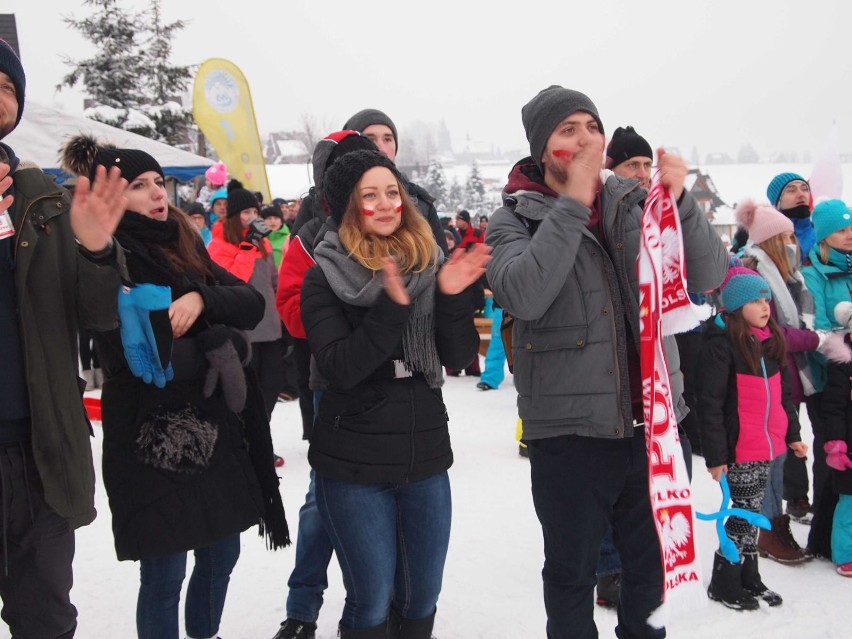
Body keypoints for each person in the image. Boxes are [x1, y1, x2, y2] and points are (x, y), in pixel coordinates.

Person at [485, 85, 728, 639]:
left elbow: (710, 276)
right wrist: (571, 204)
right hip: (569, 436)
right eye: (567, 129)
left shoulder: (633, 204)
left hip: (653, 428)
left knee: (650, 577)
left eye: (592, 126)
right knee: (572, 577)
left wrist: (679, 199)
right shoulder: (513, 220)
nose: (586, 139)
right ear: (543, 149)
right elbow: (525, 294)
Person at [60, 135, 289, 639]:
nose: (157, 194)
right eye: (138, 186)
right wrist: (219, 341)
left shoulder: (182, 241)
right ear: (112, 196)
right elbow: (133, 353)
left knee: (222, 550)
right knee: (164, 571)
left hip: (211, 423)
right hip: (150, 432)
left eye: (158, 182)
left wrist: (203, 303)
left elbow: (249, 303)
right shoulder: (104, 255)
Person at [301, 148, 489, 638]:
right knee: (371, 601)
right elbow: (341, 367)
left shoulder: (428, 263)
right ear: (346, 208)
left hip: (424, 458)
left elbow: (457, 355)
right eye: (370, 195)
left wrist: (448, 299)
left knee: (421, 596)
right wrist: (392, 305)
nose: (386, 204)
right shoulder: (323, 275)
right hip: (353, 467)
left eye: (392, 192)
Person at [0, 39, 128, 638]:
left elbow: (99, 316)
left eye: (6, 87)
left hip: (38, 455)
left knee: (46, 620)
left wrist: (97, 247)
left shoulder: (45, 204)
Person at [271, 130, 379, 639]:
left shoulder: (400, 221)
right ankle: (302, 609)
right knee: (323, 497)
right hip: (330, 381)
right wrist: (341, 317)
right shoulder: (309, 235)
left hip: (400, 389)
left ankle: (383, 606)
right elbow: (292, 312)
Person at [697, 266, 808, 610]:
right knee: (743, 514)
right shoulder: (721, 345)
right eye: (756, 301)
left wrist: (792, 435)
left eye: (766, 299)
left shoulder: (770, 341)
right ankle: (724, 580)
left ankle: (748, 575)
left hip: (768, 445)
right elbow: (710, 405)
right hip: (739, 448)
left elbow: (784, 394)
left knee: (752, 512)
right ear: (735, 306)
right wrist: (716, 457)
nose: (765, 306)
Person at [736, 199, 820, 563]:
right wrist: (815, 339)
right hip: (763, 377)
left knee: (784, 449)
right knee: (765, 458)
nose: (791, 241)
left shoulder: (794, 276)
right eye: (784, 236)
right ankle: (767, 527)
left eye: (792, 235)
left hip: (786, 377)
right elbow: (771, 329)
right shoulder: (754, 271)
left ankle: (776, 520)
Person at [801, 198, 852, 559]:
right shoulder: (812, 273)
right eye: (841, 230)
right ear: (823, 235)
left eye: (851, 229)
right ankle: (823, 539)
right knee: (830, 453)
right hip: (827, 379)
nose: (849, 236)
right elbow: (813, 326)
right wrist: (843, 341)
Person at [208, 181, 284, 422]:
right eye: (246, 212)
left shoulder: (264, 242)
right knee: (245, 391)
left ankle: (262, 436)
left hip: (269, 326)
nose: (253, 217)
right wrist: (247, 246)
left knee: (270, 387)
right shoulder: (218, 245)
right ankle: (247, 442)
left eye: (255, 212)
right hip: (243, 329)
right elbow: (232, 282)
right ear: (233, 216)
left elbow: (274, 282)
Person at [766, 172, 817, 523]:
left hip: (820, 345)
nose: (800, 194)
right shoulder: (771, 241)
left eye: (804, 188)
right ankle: (796, 496)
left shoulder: (826, 236)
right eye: (790, 190)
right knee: (789, 423)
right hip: (790, 347)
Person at [342, 108, 448, 257]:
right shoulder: (324, 204)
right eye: (370, 139)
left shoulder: (420, 204)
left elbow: (440, 264)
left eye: (387, 139)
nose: (380, 148)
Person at [819, 304, 852, 577]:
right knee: (849, 505)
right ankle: (845, 554)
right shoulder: (843, 363)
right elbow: (833, 407)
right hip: (850, 446)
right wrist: (837, 444)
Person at [767, 172, 815, 262]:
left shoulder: (822, 233)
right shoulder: (767, 237)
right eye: (792, 191)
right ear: (777, 201)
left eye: (805, 189)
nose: (801, 194)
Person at [261, 204, 291, 269]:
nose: (272, 221)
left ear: (281, 222)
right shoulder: (258, 240)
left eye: (276, 218)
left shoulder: (289, 238)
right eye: (269, 218)